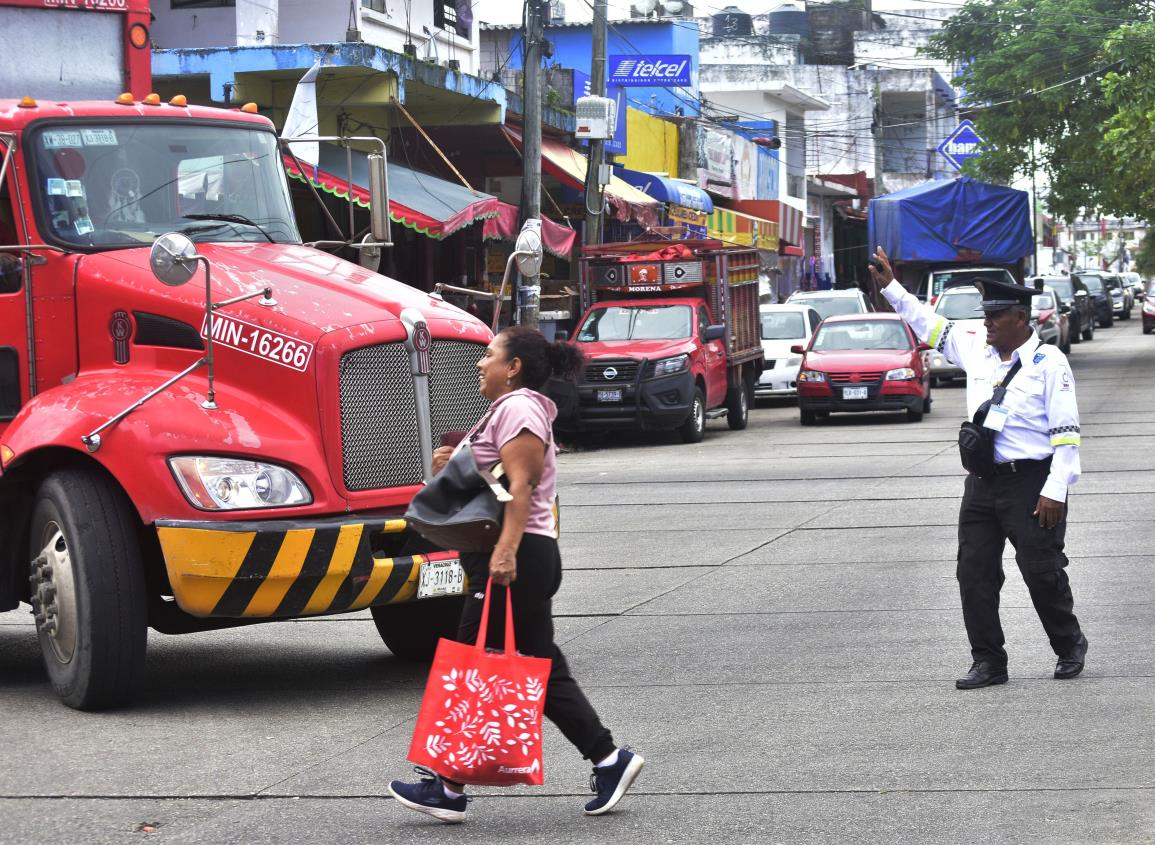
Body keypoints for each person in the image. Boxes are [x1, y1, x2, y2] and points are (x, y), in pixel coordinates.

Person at [388, 326, 644, 823]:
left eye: (489, 355)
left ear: (514, 366)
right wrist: (455, 462)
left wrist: (504, 554)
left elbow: (521, 488)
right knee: (538, 663)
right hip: (524, 552)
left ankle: (448, 786)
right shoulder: (508, 410)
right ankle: (609, 760)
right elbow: (498, 481)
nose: (481, 364)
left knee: (472, 654)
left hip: (517, 554)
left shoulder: (520, 408)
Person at [868, 247, 1089, 690]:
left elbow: (1066, 436)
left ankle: (1069, 644)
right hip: (983, 483)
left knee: (1040, 570)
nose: (986, 323)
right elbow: (927, 323)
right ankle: (989, 662)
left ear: (1020, 319)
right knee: (974, 573)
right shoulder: (975, 348)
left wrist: (1056, 489)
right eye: (984, 315)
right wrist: (890, 286)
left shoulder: (1050, 364)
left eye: (995, 316)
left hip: (1032, 482)